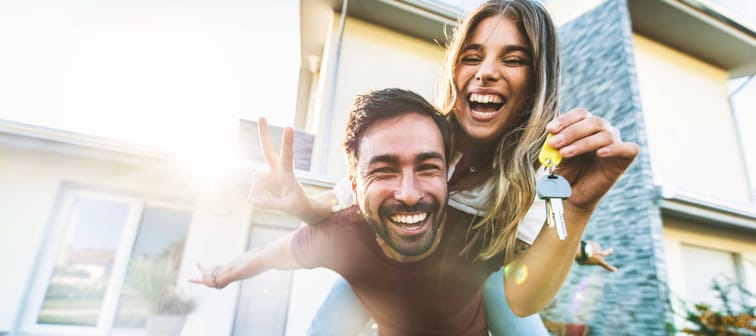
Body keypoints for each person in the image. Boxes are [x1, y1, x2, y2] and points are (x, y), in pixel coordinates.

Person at [246, 0, 637, 335]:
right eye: (472, 56)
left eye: (513, 59)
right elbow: (334, 204)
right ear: (455, 69)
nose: (485, 71)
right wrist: (299, 204)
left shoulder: (540, 175)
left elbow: (523, 293)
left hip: (463, 291)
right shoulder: (419, 139)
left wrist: (577, 212)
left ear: (536, 81)